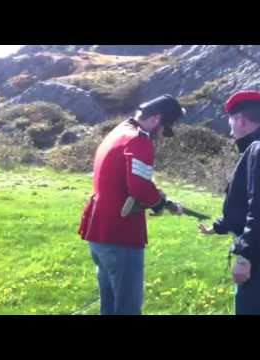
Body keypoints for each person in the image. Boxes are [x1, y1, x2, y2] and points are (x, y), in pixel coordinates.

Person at [78, 94, 185, 315]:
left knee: (109, 306)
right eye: (166, 129)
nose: (163, 137)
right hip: (120, 235)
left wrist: (161, 201)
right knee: (127, 308)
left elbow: (134, 181)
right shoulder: (139, 140)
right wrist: (158, 203)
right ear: (156, 119)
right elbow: (139, 187)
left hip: (99, 232)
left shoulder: (119, 131)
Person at [199, 90, 260, 315]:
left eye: (231, 122)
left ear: (241, 120)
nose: (230, 129)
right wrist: (219, 226)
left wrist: (245, 257)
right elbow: (247, 203)